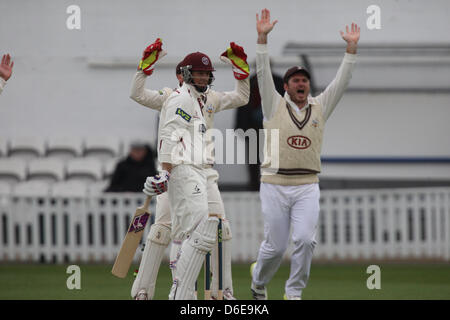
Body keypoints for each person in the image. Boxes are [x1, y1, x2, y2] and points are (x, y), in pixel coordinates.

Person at [250, 9, 359, 300]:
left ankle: (293, 293)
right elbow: (262, 73)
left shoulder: (320, 107)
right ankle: (258, 283)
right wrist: (262, 39)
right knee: (274, 247)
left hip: (307, 185)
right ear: (285, 87)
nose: (301, 84)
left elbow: (342, 82)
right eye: (295, 80)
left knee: (305, 240)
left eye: (304, 80)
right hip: (274, 183)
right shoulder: (273, 105)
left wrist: (351, 49)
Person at [129, 39, 250, 300]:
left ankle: (220, 292)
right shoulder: (170, 97)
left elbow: (242, 96)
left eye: (206, 73)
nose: (202, 77)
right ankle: (145, 291)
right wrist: (143, 69)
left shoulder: (211, 99)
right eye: (196, 72)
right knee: (165, 229)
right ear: (182, 75)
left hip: (204, 171)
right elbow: (138, 95)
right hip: (175, 168)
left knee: (218, 228)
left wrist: (242, 71)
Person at [234, 68, 284, 191]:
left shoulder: (278, 81)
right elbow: (241, 103)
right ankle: (254, 186)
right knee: (253, 158)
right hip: (252, 126)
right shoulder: (249, 82)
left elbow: (284, 103)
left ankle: (275, 184)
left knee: (275, 156)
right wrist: (239, 126)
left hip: (273, 125)